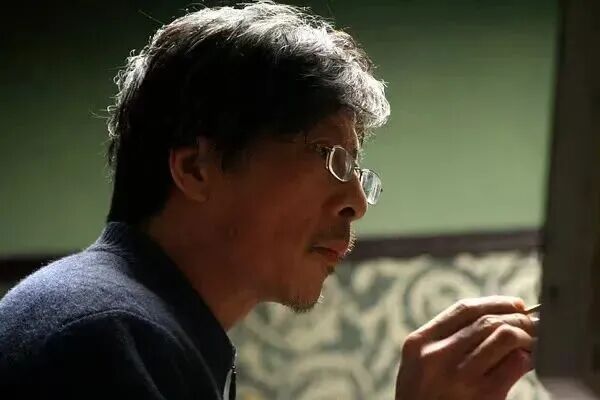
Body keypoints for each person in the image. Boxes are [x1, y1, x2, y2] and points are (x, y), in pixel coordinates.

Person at [0, 2, 535, 399]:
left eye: (357, 169)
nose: (356, 201)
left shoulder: (143, 326)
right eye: (329, 156)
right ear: (196, 168)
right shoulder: (104, 336)